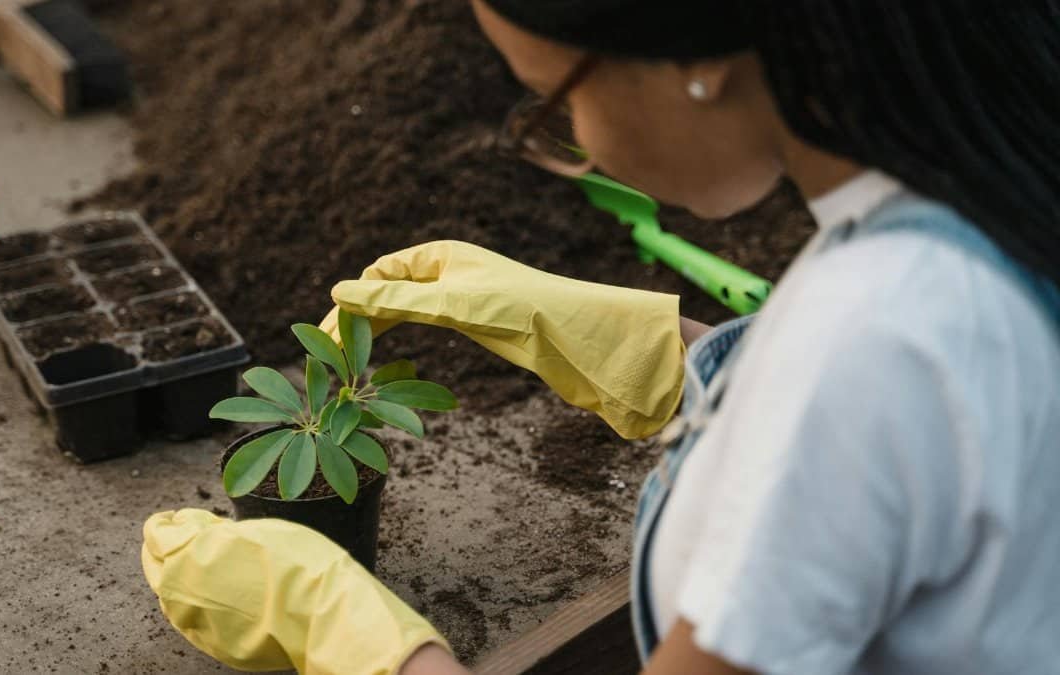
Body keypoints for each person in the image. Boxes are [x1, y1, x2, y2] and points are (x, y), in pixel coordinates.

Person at [140, 1, 1060, 673]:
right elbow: (922, 435)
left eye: (551, 104)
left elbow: (871, 381)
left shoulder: (866, 344)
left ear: (695, 65)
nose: (568, 140)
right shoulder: (989, 178)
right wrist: (691, 356)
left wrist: (348, 633)